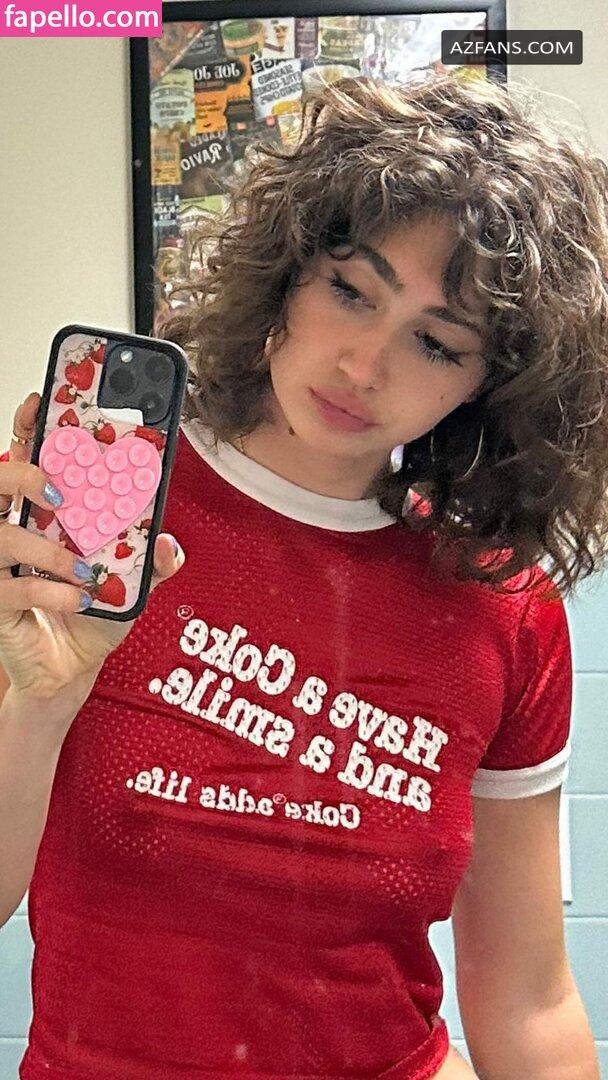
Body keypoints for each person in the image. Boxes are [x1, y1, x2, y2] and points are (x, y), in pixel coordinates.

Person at [0, 73, 605, 1080]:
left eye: (434, 342)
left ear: (488, 386)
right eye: (349, 290)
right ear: (287, 271)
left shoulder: (502, 606)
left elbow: (529, 1002)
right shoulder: (94, 517)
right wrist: (40, 705)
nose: (364, 365)